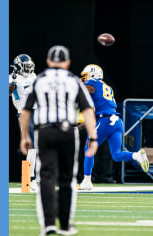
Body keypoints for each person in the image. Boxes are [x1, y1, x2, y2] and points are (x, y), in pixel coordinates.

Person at [20, 45, 98, 236]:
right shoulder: (73, 80)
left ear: (48, 62)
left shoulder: (39, 80)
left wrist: (24, 136)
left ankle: (48, 224)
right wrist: (93, 137)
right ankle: (64, 225)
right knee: (67, 179)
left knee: (46, 177)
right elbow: (88, 110)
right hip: (67, 131)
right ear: (67, 63)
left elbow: (26, 111)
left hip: (44, 131)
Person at [79, 64, 149, 190]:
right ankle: (136, 155)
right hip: (117, 121)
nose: (84, 79)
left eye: (85, 76)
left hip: (107, 120)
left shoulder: (93, 82)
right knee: (116, 155)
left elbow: (81, 89)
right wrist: (78, 128)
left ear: (93, 75)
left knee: (88, 148)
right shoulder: (107, 87)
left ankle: (87, 181)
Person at [9, 54, 38, 190]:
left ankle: (34, 178)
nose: (28, 69)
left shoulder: (33, 76)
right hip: (24, 113)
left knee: (39, 145)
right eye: (26, 66)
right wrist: (12, 82)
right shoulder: (12, 78)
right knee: (31, 145)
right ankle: (30, 179)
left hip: (38, 111)